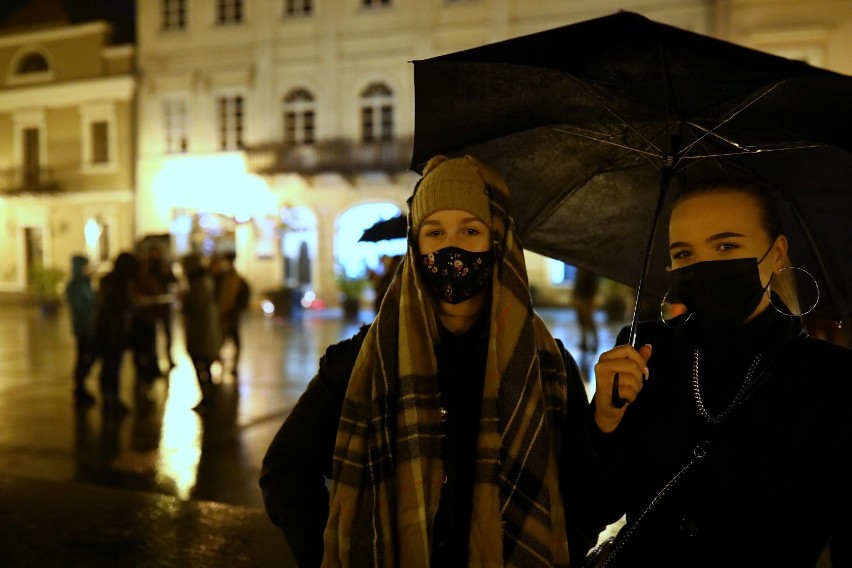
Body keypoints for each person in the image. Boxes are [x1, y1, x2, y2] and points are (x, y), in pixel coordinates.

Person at [260, 155, 596, 567]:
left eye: (470, 230)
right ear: (415, 247)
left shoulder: (547, 366)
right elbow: (285, 471)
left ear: (497, 242)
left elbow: (585, 495)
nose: (450, 248)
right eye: (434, 232)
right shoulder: (362, 361)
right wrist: (333, 553)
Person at [579, 181, 852, 567]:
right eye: (684, 253)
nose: (703, 265)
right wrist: (605, 421)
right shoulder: (643, 353)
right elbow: (593, 506)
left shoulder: (833, 380)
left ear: (777, 254)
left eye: (726, 246)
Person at [93, 251, 139, 415]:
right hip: (113, 329)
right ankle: (111, 399)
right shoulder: (119, 282)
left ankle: (109, 398)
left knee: (110, 365)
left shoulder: (110, 280)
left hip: (108, 328)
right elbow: (116, 304)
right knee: (112, 365)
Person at [180, 253, 221, 411]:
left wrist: (185, 301)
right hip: (204, 329)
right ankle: (209, 395)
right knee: (204, 362)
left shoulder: (199, 283)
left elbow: (197, 305)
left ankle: (208, 395)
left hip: (201, 329)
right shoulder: (204, 280)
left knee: (200, 361)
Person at [64, 254, 97, 406]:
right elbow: (81, 306)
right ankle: (79, 386)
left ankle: (81, 385)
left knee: (89, 355)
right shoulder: (74, 286)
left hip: (90, 327)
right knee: (83, 356)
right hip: (82, 327)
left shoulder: (86, 284)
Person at [212, 251, 249, 378]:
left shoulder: (233, 278)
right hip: (225, 314)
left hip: (231, 314)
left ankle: (229, 365)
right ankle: (224, 364)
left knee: (228, 340)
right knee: (223, 341)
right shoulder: (225, 277)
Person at [572, 267, 600, 353]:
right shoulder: (580, 269)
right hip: (582, 297)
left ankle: (595, 343)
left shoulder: (589, 270)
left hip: (587, 298)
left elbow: (592, 284)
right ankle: (584, 342)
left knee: (589, 321)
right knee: (582, 320)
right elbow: (578, 283)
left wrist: (590, 298)